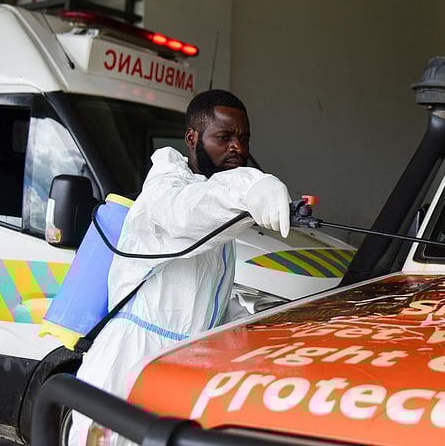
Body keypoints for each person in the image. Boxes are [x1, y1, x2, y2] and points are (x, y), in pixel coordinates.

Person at [68, 89, 291, 445]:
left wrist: (263, 326)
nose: (238, 148)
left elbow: (202, 302)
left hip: (178, 369)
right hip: (129, 366)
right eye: (224, 137)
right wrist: (251, 185)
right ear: (192, 138)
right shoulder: (165, 192)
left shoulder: (214, 203)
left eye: (244, 138)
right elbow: (186, 213)